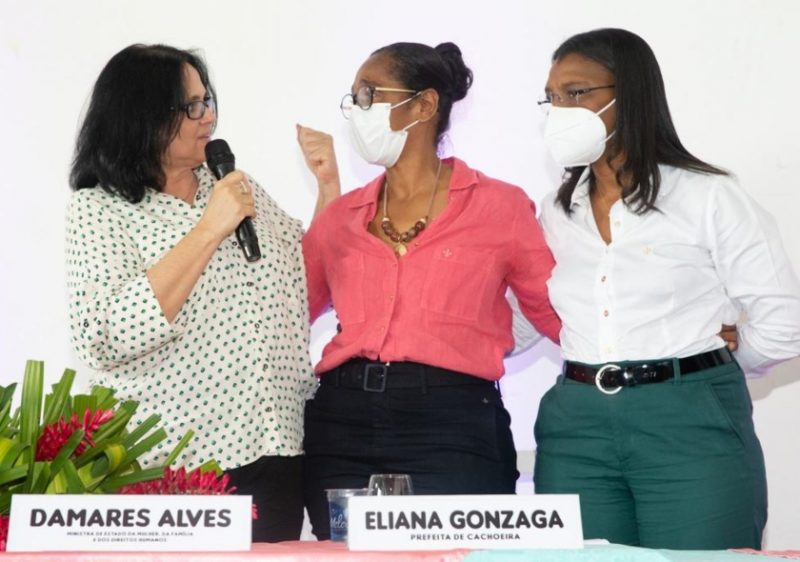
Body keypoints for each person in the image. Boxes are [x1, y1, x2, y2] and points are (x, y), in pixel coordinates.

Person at [532, 28, 800, 550]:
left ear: (630, 93)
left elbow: (785, 320)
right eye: (552, 97)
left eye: (577, 92)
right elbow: (528, 313)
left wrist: (711, 365)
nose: (560, 110)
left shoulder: (708, 195)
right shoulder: (556, 211)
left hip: (689, 421)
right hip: (576, 426)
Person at [297, 41, 561, 539]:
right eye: (353, 98)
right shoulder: (341, 217)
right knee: (342, 552)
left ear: (424, 105)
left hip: (452, 424)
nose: (357, 111)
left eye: (369, 94)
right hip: (343, 422)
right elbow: (290, 312)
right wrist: (327, 191)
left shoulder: (500, 206)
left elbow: (556, 313)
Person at [66, 44, 318, 542]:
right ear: (143, 116)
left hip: (275, 449)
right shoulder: (99, 209)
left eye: (208, 101)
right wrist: (208, 230)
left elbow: (303, 276)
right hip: (175, 468)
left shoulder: (232, 185)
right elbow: (104, 336)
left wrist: (327, 187)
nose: (209, 117)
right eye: (193, 106)